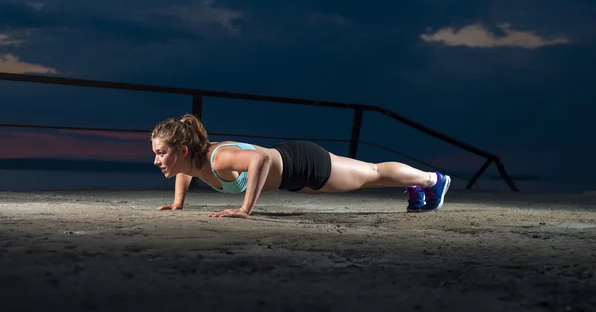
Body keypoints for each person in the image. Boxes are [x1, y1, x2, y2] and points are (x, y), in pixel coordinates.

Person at [151, 113, 451, 218]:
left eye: (161, 153)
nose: (156, 160)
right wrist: (178, 203)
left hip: (303, 165)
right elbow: (185, 170)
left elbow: (261, 158)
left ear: (183, 149)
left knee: (373, 173)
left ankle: (431, 179)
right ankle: (417, 182)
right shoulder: (194, 160)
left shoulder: (219, 158)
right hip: (294, 173)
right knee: (371, 176)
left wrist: (245, 210)